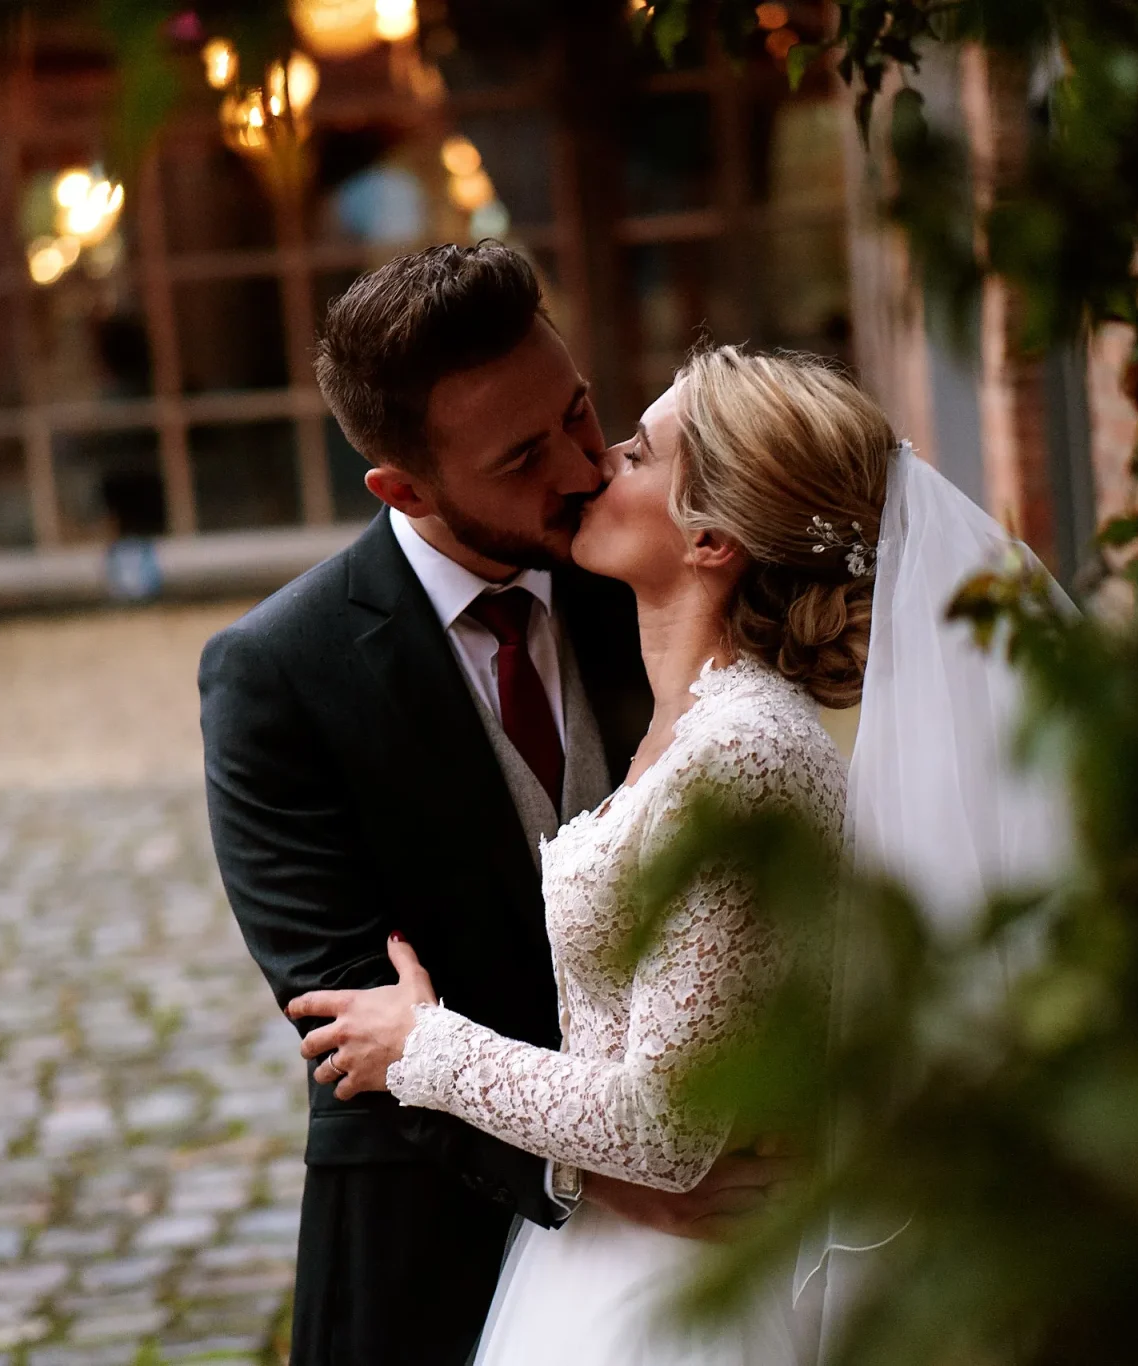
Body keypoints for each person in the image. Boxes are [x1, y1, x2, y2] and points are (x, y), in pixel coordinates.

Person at [197, 245, 789, 1366]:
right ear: (402, 489)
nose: (578, 467)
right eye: (523, 455)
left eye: (579, 411)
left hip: (699, 1262)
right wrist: (593, 1177)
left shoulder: (646, 567)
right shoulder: (276, 674)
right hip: (425, 1245)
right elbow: (349, 1020)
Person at [288, 346, 896, 1364]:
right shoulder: (692, 728)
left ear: (709, 539)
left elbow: (665, 1127)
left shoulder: (740, 752)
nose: (588, 466)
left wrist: (424, 1046)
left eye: (633, 451)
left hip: (683, 1292)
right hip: (608, 1266)